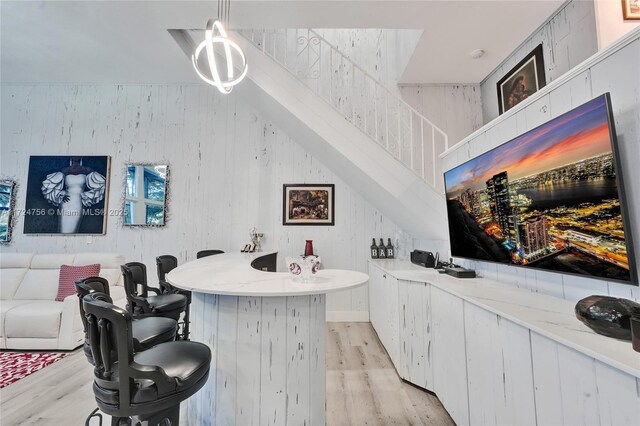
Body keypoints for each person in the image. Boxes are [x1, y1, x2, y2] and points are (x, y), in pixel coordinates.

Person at [41, 157, 106, 233]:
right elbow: (48, 186)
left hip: (78, 202)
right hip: (66, 202)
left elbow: (102, 184)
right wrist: (61, 194)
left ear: (81, 160)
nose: (75, 162)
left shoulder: (86, 170)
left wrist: (86, 196)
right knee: (63, 227)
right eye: (74, 160)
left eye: (77, 160)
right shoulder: (65, 170)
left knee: (74, 227)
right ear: (71, 160)